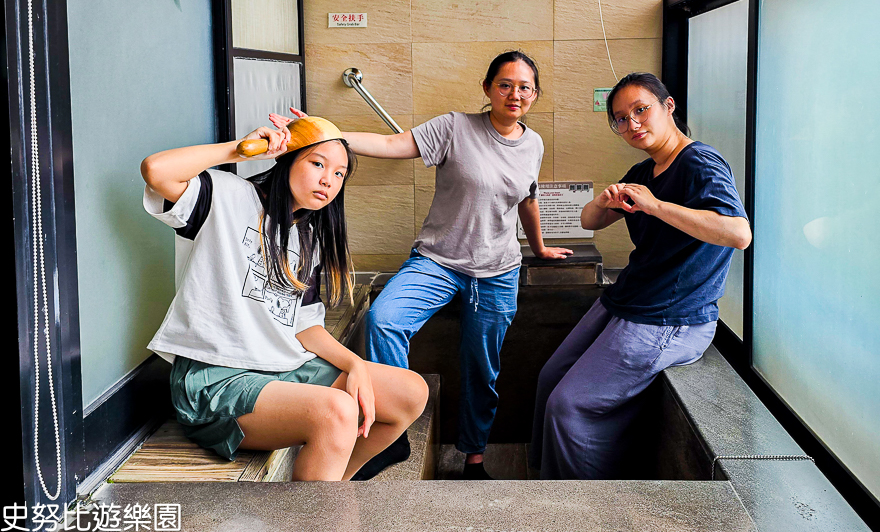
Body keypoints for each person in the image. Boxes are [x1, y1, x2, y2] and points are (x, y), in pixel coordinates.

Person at [275, 50, 572, 480]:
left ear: (534, 95)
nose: (514, 94)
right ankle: (391, 432)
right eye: (504, 84)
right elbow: (394, 144)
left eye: (524, 87)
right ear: (487, 89)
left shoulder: (534, 143)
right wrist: (325, 134)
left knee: (481, 370)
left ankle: (473, 456)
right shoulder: (454, 127)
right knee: (383, 320)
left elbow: (528, 199)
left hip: (498, 272)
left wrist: (539, 249)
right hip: (438, 262)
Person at [140, 119, 429, 481]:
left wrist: (355, 365)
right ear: (288, 158)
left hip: (282, 367)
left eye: (339, 174)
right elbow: (155, 170)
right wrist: (240, 149)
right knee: (337, 408)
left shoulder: (309, 238)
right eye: (318, 163)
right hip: (216, 378)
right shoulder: (225, 196)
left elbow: (305, 325)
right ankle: (315, 524)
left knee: (411, 392)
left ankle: (329, 496)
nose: (329, 180)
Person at [529, 72, 752, 480]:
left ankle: (580, 511)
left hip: (670, 317)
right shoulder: (644, 171)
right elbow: (588, 221)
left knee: (569, 405)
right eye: (620, 118)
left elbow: (738, 233)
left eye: (641, 110)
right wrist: (603, 201)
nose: (632, 124)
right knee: (549, 378)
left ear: (668, 107)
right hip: (627, 301)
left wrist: (656, 206)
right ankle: (544, 486)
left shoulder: (700, 162)